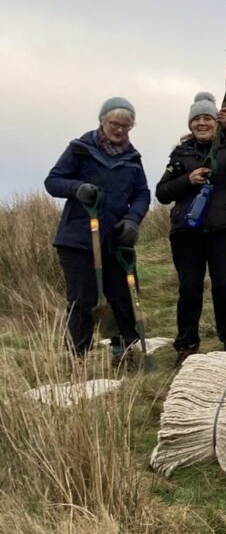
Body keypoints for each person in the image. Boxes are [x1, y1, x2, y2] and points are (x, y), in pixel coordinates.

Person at [44, 97, 150, 366]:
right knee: (83, 298)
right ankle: (78, 357)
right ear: (102, 121)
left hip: (116, 239)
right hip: (78, 238)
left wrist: (132, 220)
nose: (120, 130)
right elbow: (53, 181)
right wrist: (77, 188)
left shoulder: (133, 158)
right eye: (115, 124)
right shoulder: (80, 149)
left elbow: (142, 194)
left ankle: (123, 351)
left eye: (126, 127)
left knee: (124, 296)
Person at [155, 92, 226, 366]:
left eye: (207, 118)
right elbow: (162, 192)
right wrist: (188, 179)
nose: (202, 123)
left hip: (224, 228)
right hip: (186, 231)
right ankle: (187, 345)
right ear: (190, 124)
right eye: (196, 119)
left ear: (216, 122)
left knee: (225, 286)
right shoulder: (180, 154)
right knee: (189, 288)